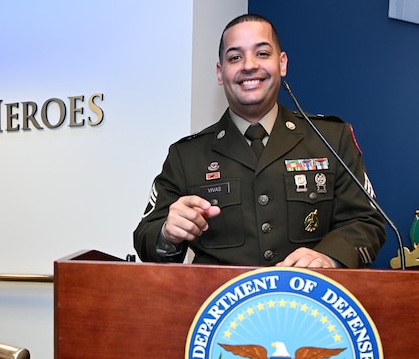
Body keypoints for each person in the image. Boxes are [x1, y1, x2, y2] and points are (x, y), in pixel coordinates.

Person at [133, 14, 386, 268]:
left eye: (262, 53)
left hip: (309, 302)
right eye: (235, 57)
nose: (249, 65)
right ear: (220, 72)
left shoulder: (331, 138)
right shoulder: (187, 155)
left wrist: (328, 258)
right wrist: (168, 233)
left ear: (282, 63)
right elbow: (145, 238)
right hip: (221, 304)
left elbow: (367, 222)